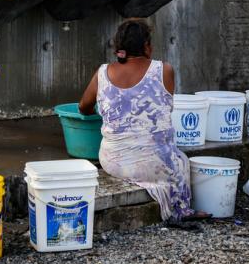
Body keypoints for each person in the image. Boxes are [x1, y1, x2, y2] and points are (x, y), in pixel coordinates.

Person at [79, 19, 210, 222]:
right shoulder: (164, 70)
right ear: (147, 47)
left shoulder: (102, 73)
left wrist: (99, 112)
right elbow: (163, 109)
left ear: (118, 47)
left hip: (111, 161)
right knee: (180, 161)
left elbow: (83, 107)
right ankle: (179, 211)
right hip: (154, 166)